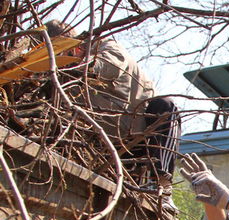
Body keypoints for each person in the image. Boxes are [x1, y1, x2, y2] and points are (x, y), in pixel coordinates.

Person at [44, 20, 179, 185]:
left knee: (165, 105)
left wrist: (76, 65)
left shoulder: (107, 47)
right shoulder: (59, 78)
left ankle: (162, 184)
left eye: (59, 52)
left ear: (75, 46)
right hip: (107, 146)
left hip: (142, 134)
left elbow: (108, 67)